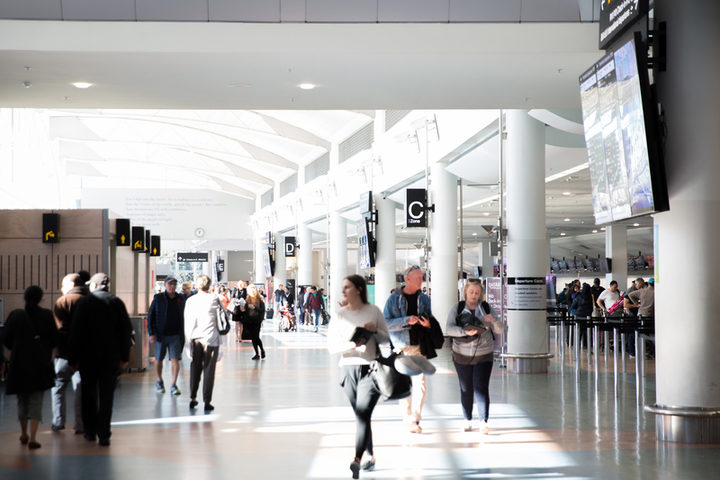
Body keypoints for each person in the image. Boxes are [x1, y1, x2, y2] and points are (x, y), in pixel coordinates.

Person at [328, 275, 389, 479]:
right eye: (343, 287)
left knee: (363, 414)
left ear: (359, 289)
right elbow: (331, 347)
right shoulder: (339, 315)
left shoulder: (373, 311)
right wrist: (352, 345)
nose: (343, 291)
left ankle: (356, 459)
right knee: (361, 416)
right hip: (348, 369)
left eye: (347, 287)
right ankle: (370, 455)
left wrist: (375, 330)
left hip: (369, 369)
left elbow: (386, 338)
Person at [69, 273, 132, 446]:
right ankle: (104, 433)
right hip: (110, 358)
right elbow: (125, 331)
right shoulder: (116, 303)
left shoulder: (85, 303)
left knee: (88, 394)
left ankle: (89, 431)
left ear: (94, 286)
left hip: (87, 357)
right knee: (106, 396)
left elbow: (76, 331)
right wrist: (125, 357)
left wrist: (73, 358)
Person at [383, 265, 441, 434]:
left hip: (419, 345)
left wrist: (427, 323)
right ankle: (407, 416)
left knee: (420, 383)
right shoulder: (394, 299)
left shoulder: (424, 299)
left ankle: (415, 418)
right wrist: (406, 320)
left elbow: (431, 318)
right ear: (407, 279)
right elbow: (386, 323)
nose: (420, 280)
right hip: (401, 346)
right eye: (417, 277)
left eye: (421, 277)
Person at [2, 286, 58, 449]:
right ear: (41, 298)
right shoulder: (47, 315)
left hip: (19, 363)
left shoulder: (16, 315)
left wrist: (18, 347)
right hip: (39, 363)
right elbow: (54, 339)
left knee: (22, 400)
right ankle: (33, 437)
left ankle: (23, 433)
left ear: (24, 298)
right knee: (36, 401)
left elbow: (5, 339)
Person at [445, 279, 502, 434]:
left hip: (484, 354)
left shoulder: (486, 308)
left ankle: (483, 421)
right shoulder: (457, 308)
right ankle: (467, 419)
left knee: (481, 387)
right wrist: (464, 332)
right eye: (471, 292)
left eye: (477, 293)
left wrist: (494, 320)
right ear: (466, 292)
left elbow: (500, 330)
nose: (474, 295)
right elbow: (449, 328)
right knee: (466, 388)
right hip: (461, 354)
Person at [51, 273, 86, 434]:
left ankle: (58, 421)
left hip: (64, 355)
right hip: (84, 355)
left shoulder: (63, 302)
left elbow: (59, 331)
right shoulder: (90, 301)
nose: (61, 289)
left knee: (58, 387)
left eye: (63, 285)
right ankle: (80, 424)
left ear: (71, 285)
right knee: (80, 388)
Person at [184, 275, 223, 411]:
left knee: (195, 369)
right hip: (211, 340)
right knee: (209, 371)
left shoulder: (191, 301)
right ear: (209, 285)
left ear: (197, 285)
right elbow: (220, 322)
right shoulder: (214, 299)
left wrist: (188, 344)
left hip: (196, 339)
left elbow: (188, 324)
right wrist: (221, 344)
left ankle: (192, 398)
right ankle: (207, 401)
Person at [147, 277, 186, 396]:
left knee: (175, 359)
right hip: (160, 335)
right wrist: (151, 333)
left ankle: (174, 384)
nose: (172, 287)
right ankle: (159, 381)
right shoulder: (158, 298)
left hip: (175, 335)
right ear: (165, 285)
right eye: (170, 284)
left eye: (174, 284)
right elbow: (151, 316)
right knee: (158, 359)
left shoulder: (180, 299)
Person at [243, 284, 266, 359]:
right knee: (253, 337)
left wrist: (254, 307)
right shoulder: (247, 300)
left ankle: (262, 350)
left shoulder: (260, 300)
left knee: (256, 336)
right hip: (249, 321)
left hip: (257, 321)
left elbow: (262, 310)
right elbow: (245, 310)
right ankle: (257, 353)